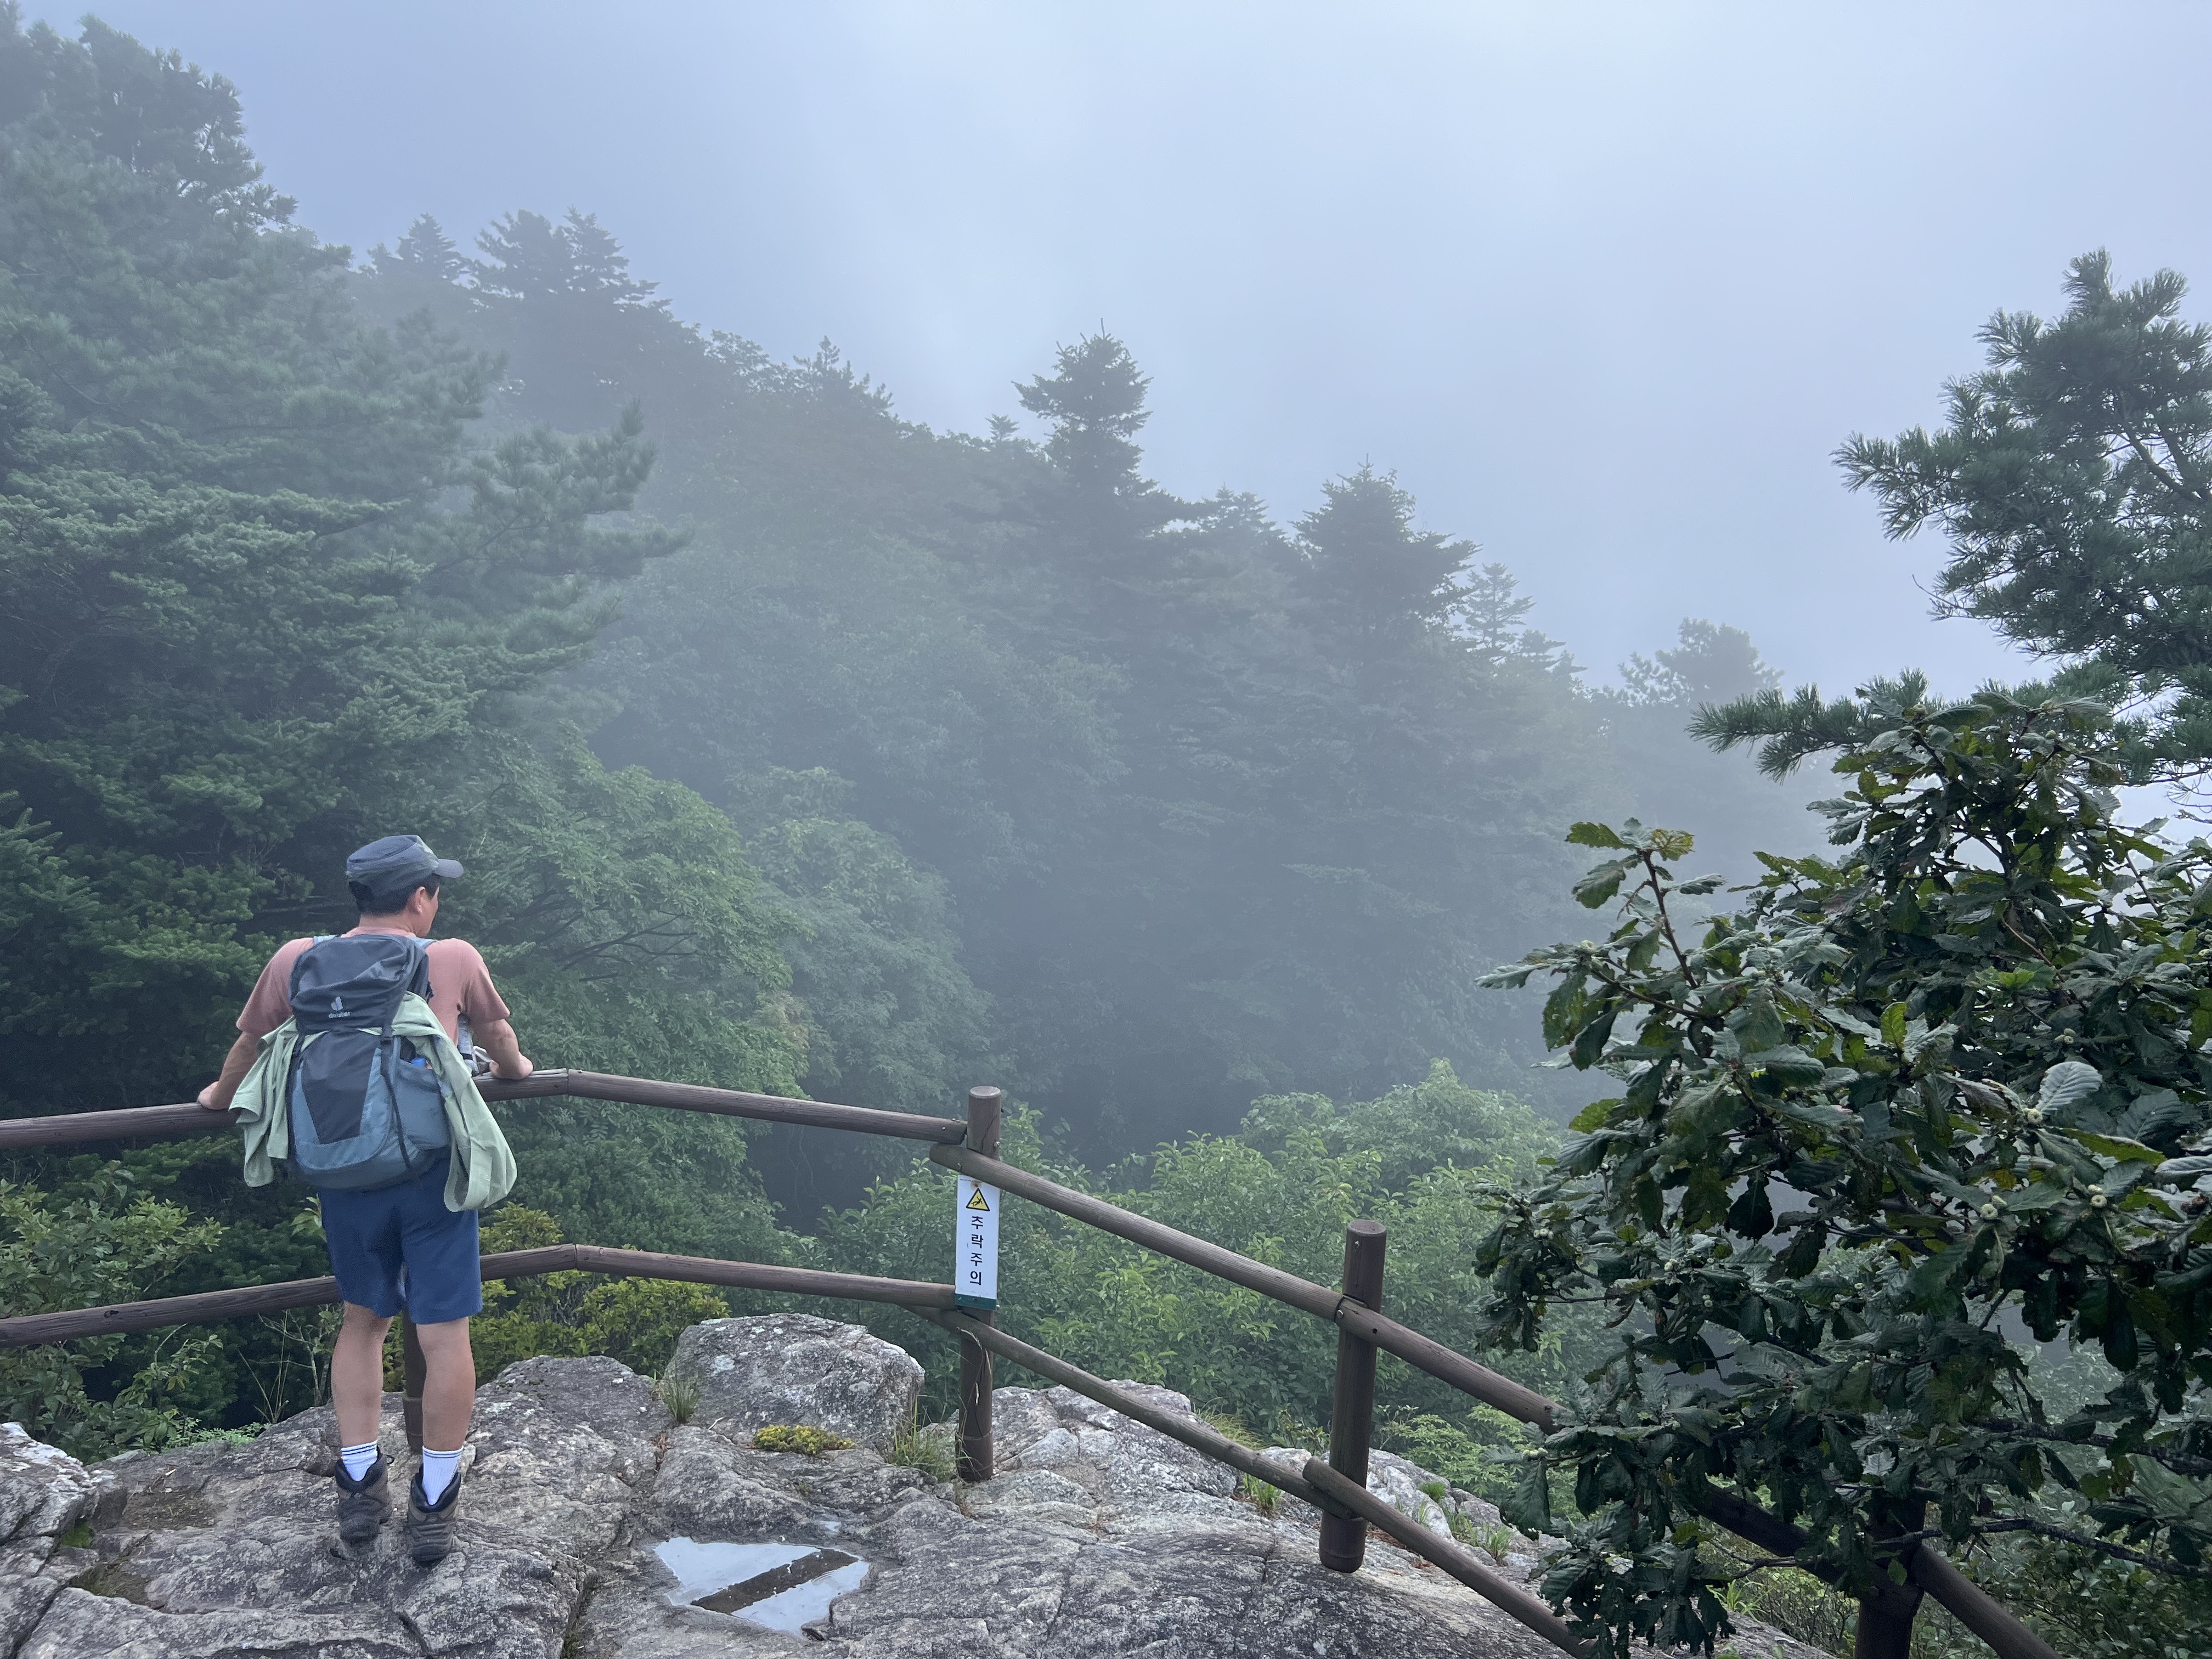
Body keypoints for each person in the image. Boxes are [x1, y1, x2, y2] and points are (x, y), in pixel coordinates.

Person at [198, 835, 529, 1565]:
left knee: (362, 1323)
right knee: (443, 1335)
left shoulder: (297, 958)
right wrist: (517, 1067)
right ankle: (433, 1500)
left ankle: (358, 1484)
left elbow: (250, 1046)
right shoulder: (451, 958)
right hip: (433, 1179)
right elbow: (500, 1040)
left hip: (343, 1171)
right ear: (420, 897)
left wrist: (218, 1099)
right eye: (435, 890)